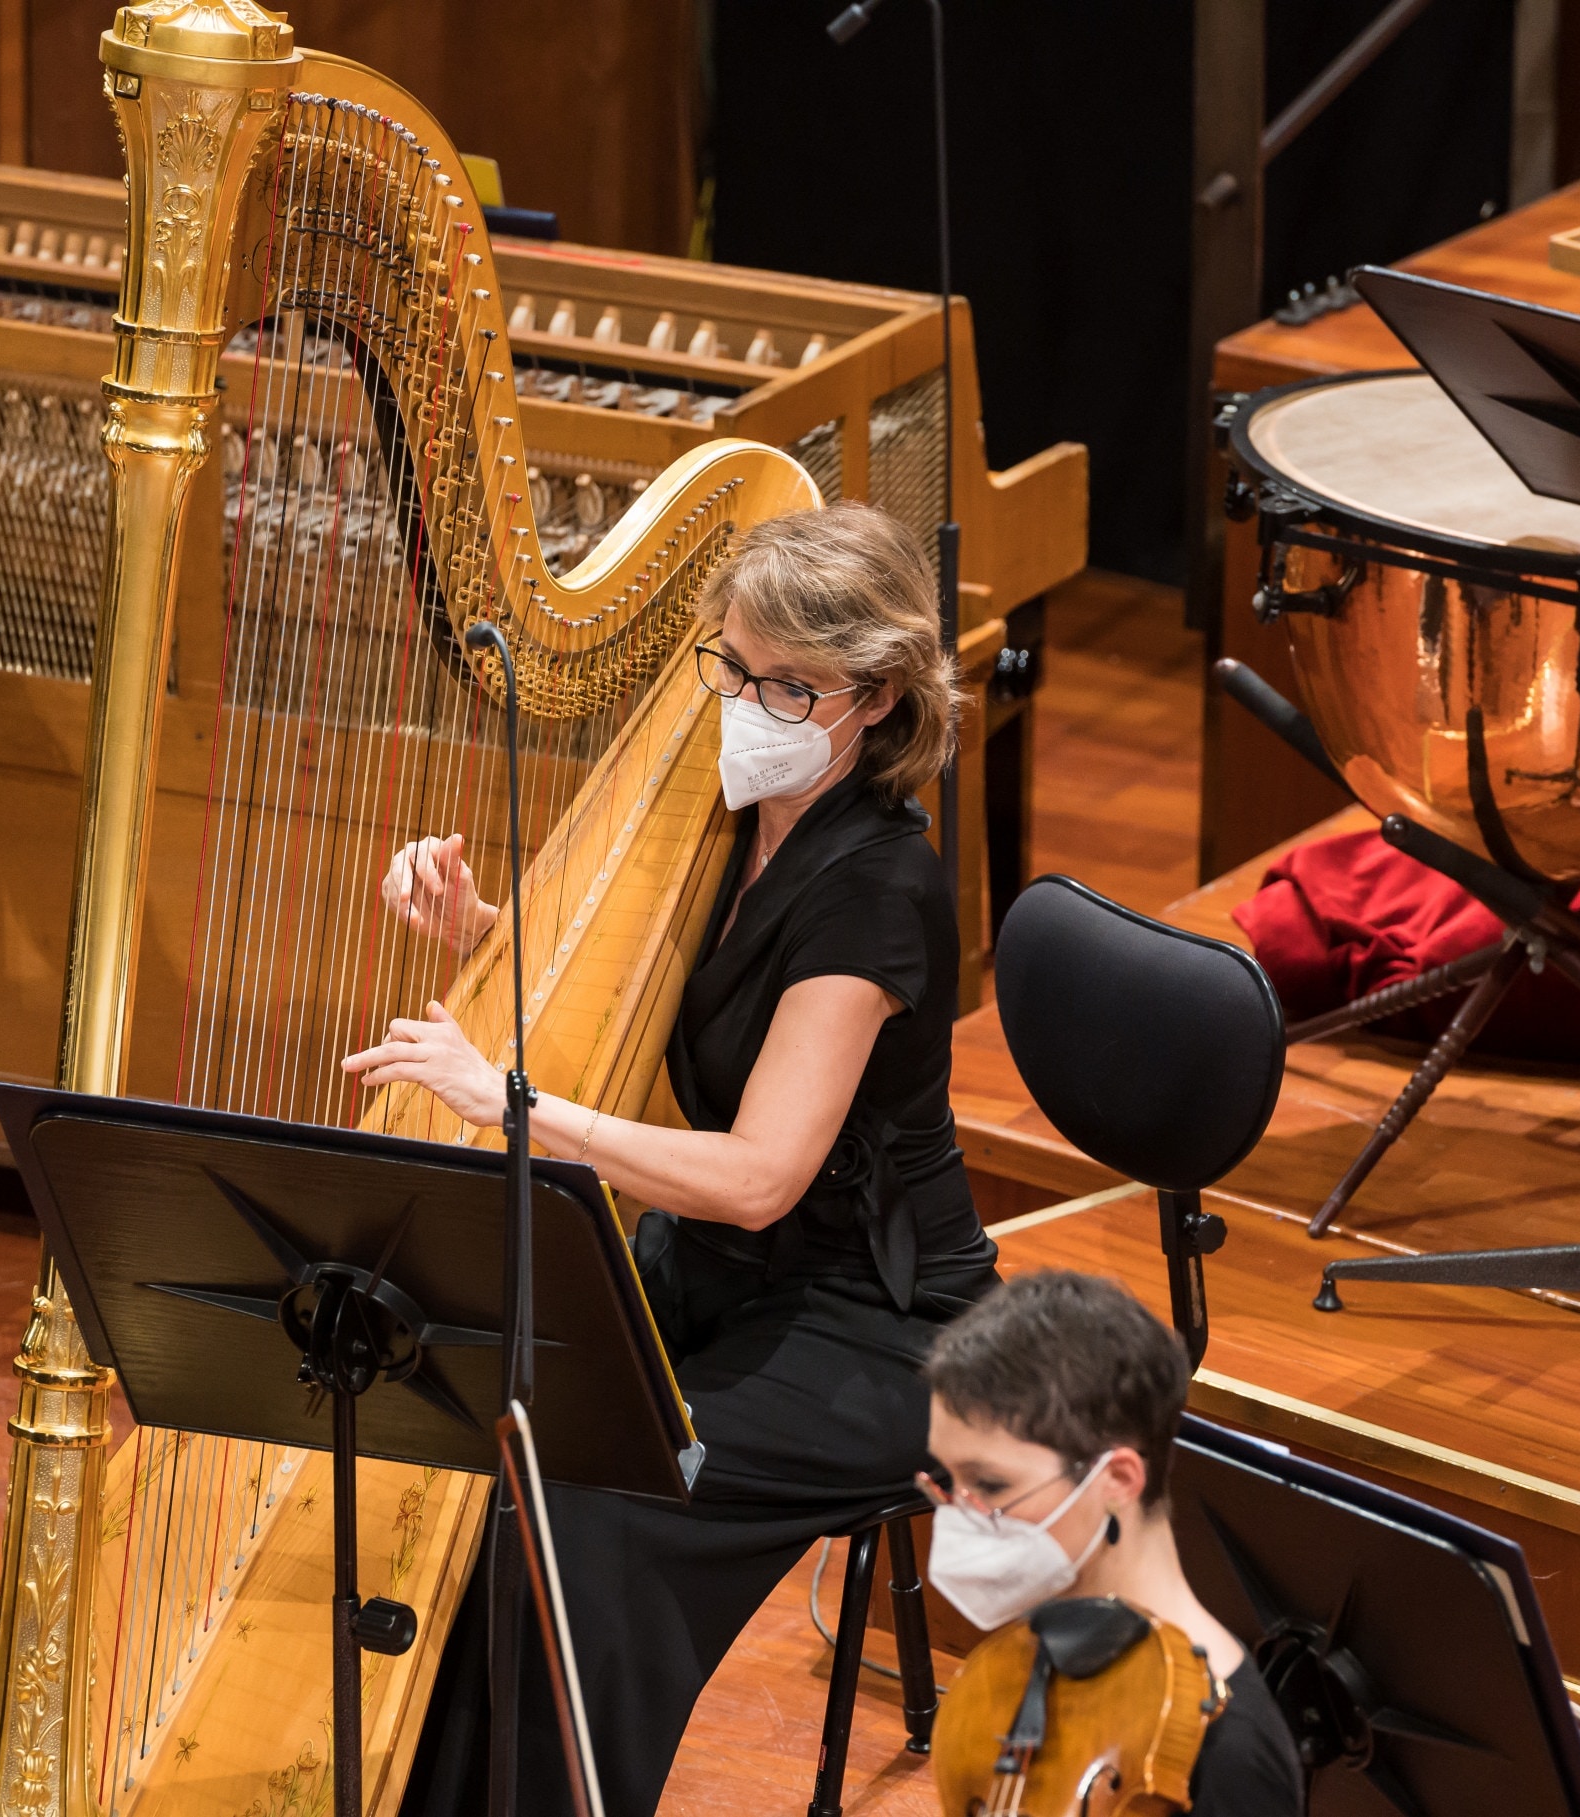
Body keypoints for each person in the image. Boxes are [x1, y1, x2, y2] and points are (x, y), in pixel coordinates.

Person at [352, 502, 1002, 1815]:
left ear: (872, 700)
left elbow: (763, 1173)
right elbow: (649, 999)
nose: (749, 704)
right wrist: (472, 922)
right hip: (712, 1269)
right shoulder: (719, 818)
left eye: (787, 686)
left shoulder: (876, 887)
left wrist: (512, 1104)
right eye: (734, 669)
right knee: (451, 1402)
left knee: (586, 1514)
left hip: (872, 1325)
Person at [920, 1269, 1303, 1815]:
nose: (961, 1514)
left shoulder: (1228, 1752)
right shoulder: (1015, 1663)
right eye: (949, 1480)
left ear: (1118, 1480)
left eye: (990, 1485)